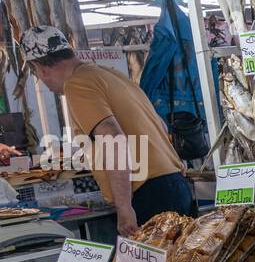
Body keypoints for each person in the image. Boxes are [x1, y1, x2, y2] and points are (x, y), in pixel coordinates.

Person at [20, 26, 194, 236]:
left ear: (40, 67)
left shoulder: (77, 84)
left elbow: (113, 139)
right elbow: (161, 126)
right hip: (174, 185)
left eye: (36, 74)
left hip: (149, 194)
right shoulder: (109, 75)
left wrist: (124, 207)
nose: (42, 81)